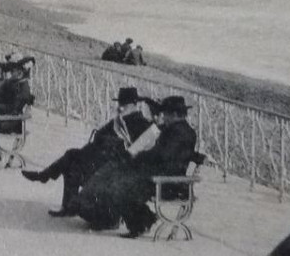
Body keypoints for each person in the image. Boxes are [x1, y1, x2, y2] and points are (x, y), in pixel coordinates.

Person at [73, 95, 200, 237]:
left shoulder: (178, 133)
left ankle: (140, 223)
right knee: (121, 179)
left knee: (121, 185)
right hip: (166, 177)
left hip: (167, 183)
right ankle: (140, 220)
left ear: (176, 114)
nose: (164, 117)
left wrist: (139, 157)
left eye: (167, 114)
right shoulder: (182, 130)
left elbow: (162, 156)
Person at [24, 86, 149, 217]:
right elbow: (99, 135)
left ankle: (46, 178)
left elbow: (136, 147)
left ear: (134, 105)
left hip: (114, 164)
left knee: (72, 157)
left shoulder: (141, 123)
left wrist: (111, 141)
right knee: (72, 162)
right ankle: (66, 204)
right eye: (120, 103)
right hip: (101, 158)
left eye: (123, 104)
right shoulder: (119, 119)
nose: (120, 107)